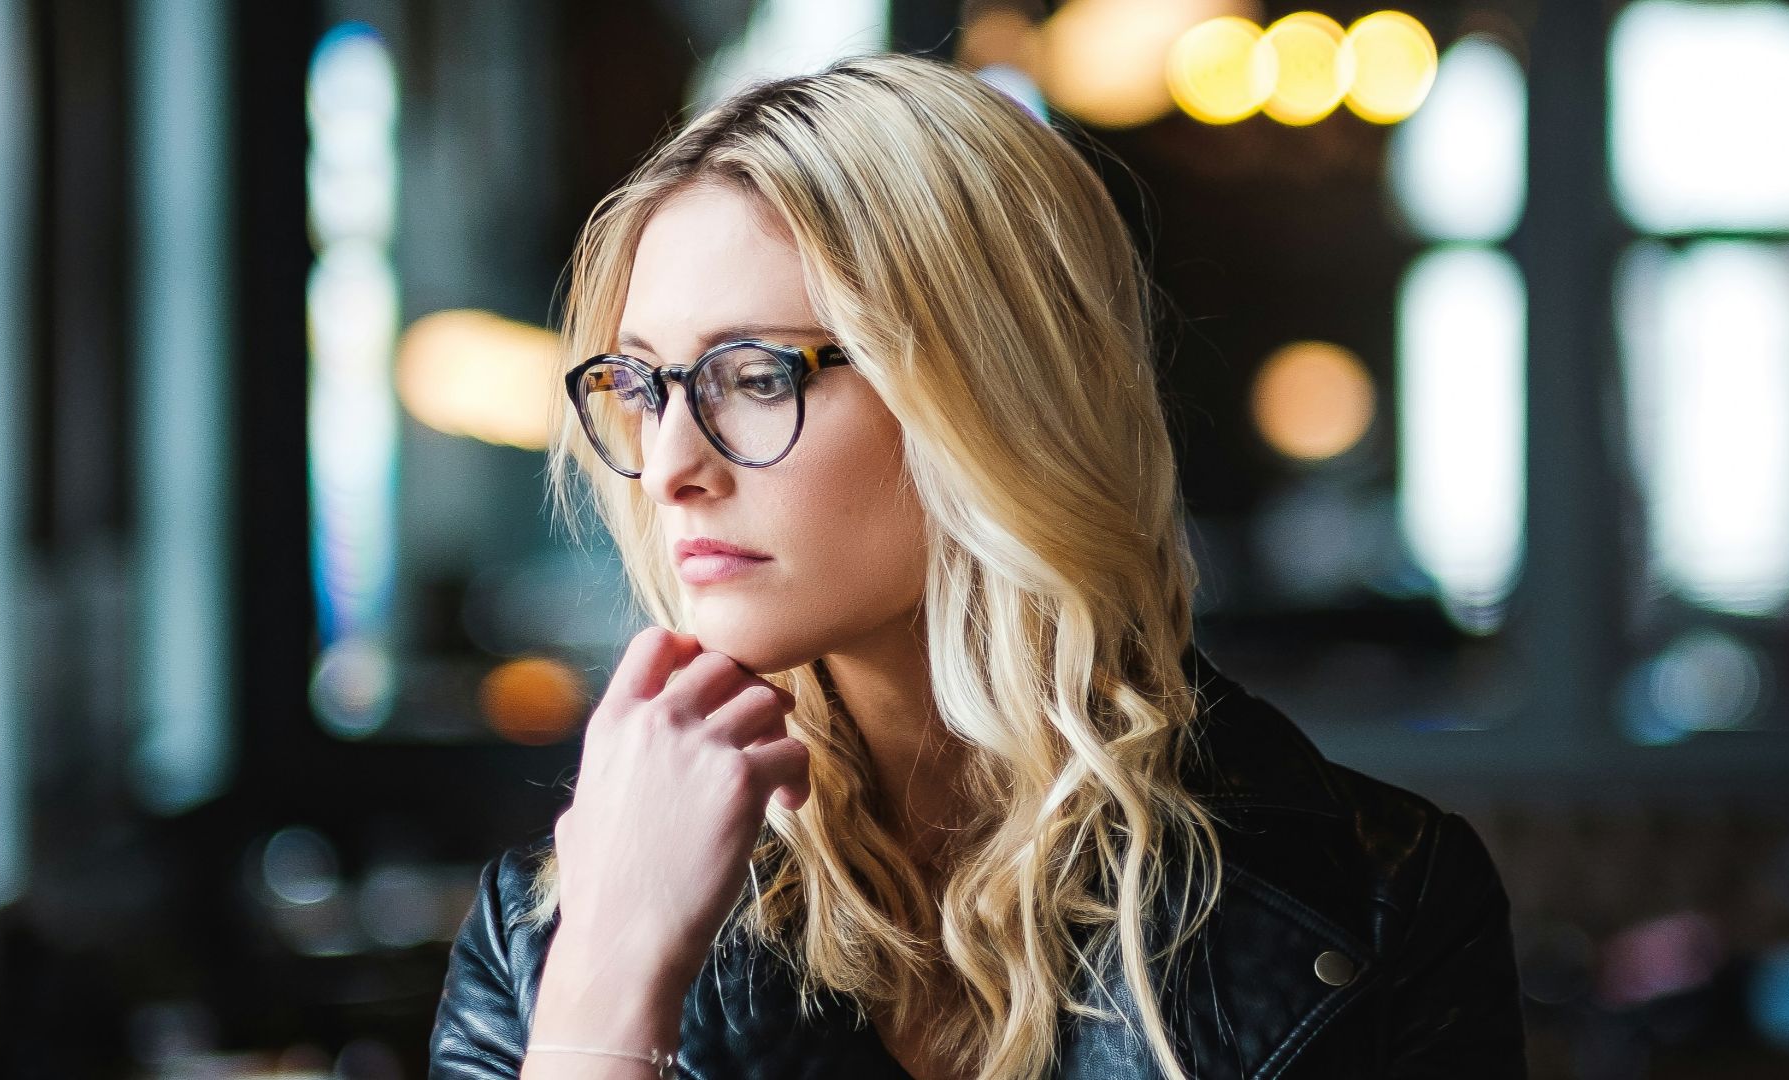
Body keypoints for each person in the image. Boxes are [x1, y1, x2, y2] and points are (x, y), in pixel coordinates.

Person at [429, 52, 1527, 1080]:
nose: (671, 467)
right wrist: (609, 988)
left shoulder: (1380, 901)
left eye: (755, 377)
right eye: (642, 384)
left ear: (988, 395)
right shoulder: (549, 935)